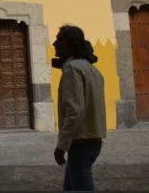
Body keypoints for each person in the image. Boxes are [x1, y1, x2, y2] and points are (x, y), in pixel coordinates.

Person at [52, 25, 106, 192]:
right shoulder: (91, 69)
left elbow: (75, 111)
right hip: (92, 139)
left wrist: (62, 145)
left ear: (70, 44)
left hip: (81, 141)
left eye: (59, 40)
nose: (54, 44)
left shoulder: (72, 69)